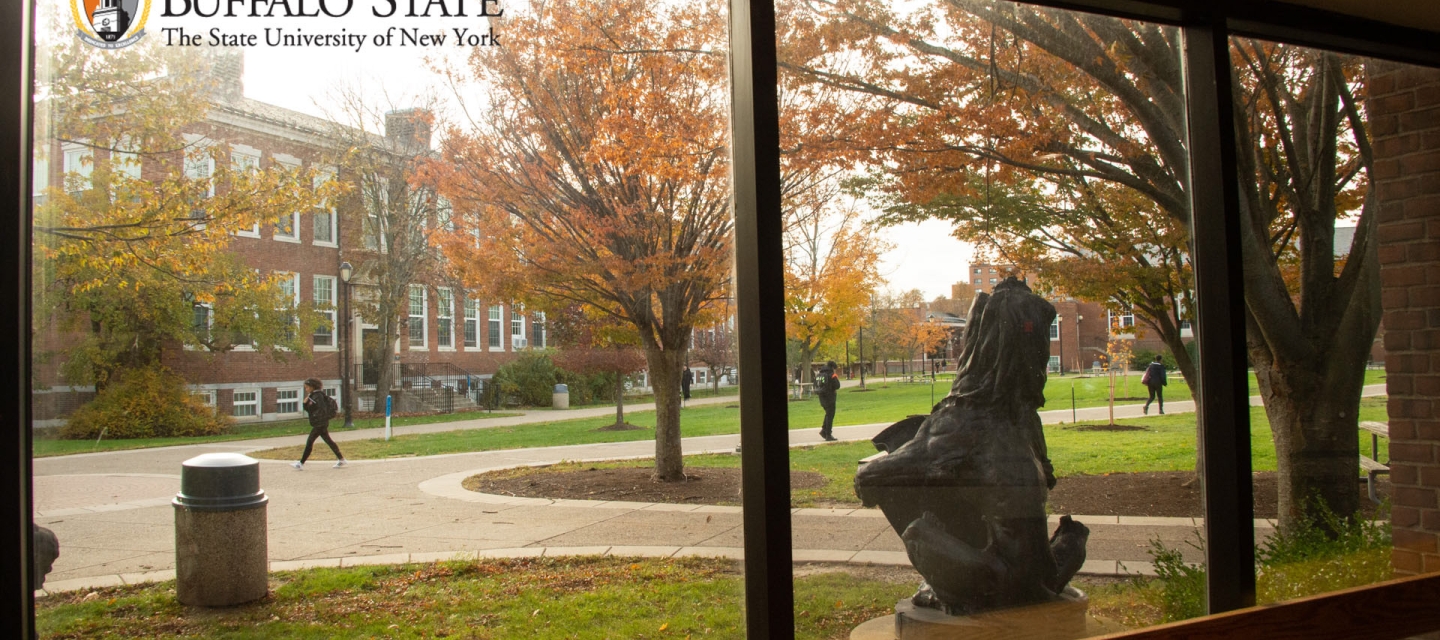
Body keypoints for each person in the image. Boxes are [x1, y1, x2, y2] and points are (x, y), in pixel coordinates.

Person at [293, 378, 346, 470]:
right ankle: (341, 459)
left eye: (307, 387)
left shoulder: (317, 396)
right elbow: (311, 410)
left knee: (310, 442)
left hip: (320, 423)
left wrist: (317, 418)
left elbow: (320, 409)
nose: (306, 389)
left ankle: (301, 463)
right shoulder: (314, 396)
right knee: (328, 441)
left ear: (312, 387)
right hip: (321, 423)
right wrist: (305, 404)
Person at [816, 360, 841, 441]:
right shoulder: (832, 375)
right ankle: (828, 434)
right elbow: (837, 386)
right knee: (830, 416)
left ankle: (824, 430)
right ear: (833, 367)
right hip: (830, 397)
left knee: (828, 414)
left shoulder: (820, 374)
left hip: (822, 397)